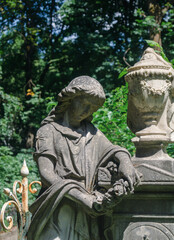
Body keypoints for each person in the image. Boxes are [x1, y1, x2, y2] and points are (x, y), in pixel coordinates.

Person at [27, 76, 140, 240]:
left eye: (93, 108)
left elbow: (112, 149)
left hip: (86, 212)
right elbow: (47, 174)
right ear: (71, 99)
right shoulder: (48, 131)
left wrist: (125, 161)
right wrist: (82, 198)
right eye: (85, 104)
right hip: (57, 207)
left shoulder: (91, 132)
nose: (88, 111)